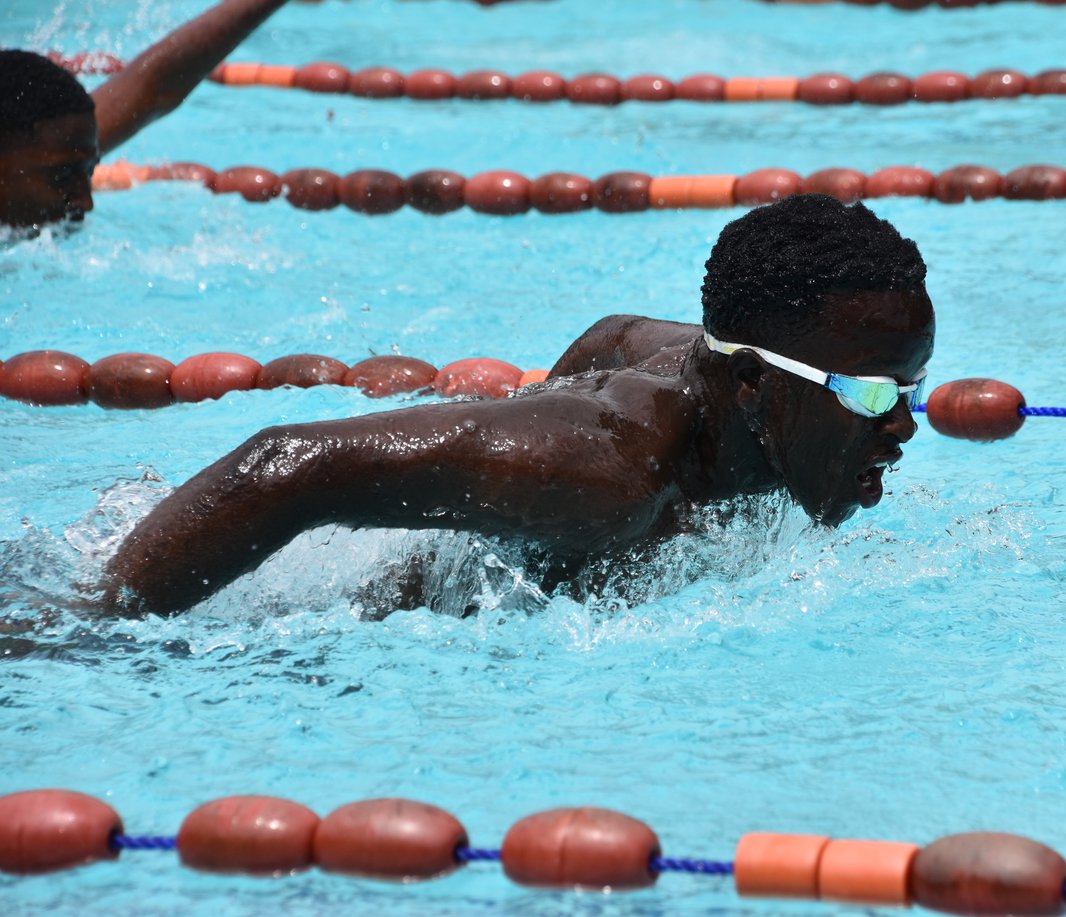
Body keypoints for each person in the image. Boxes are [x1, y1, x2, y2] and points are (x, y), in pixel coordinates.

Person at [103, 194, 937, 615]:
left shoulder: (742, 384)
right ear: (754, 384)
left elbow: (617, 334)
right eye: (872, 392)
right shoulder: (603, 474)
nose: (902, 424)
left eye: (912, 389)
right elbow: (280, 463)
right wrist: (99, 626)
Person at [0, 0, 294, 233]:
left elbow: (155, 91)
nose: (85, 203)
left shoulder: (49, 147)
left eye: (88, 173)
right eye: (63, 178)